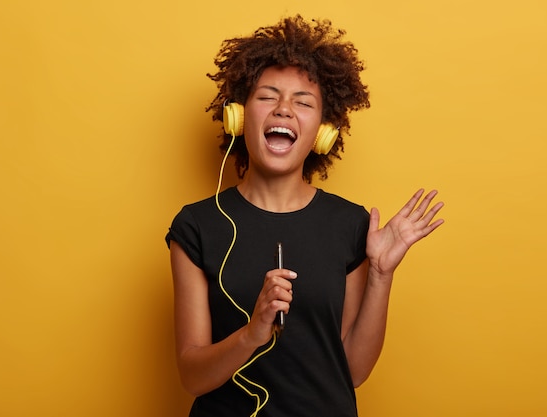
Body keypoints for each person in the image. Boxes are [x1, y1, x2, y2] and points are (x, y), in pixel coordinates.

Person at [165, 15, 444, 417]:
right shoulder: (197, 227)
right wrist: (252, 333)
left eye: (303, 102)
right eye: (267, 97)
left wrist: (382, 274)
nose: (283, 110)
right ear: (239, 117)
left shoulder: (351, 227)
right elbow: (192, 377)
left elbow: (353, 371)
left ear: (323, 132)